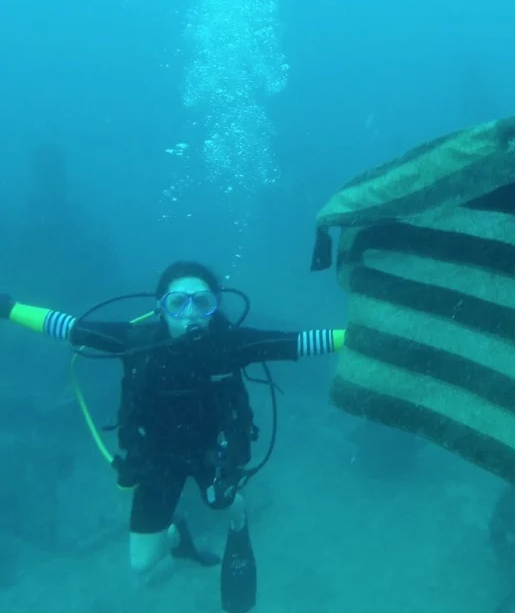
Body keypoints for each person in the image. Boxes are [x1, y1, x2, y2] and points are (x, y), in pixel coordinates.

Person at [0, 260, 344, 613]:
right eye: (178, 304)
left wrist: (356, 339)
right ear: (160, 308)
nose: (190, 314)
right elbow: (72, 329)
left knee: (224, 505)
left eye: (203, 303)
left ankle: (237, 519)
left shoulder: (231, 344)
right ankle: (177, 537)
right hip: (158, 460)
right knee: (142, 564)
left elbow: (297, 342)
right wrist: (9, 309)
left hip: (215, 455)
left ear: (216, 307)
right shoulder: (137, 341)